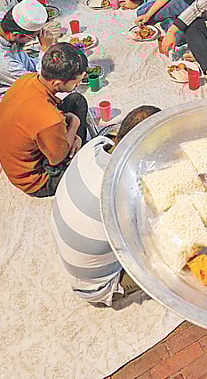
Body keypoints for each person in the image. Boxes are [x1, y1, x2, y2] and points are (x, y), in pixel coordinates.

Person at [53, 105, 159, 306]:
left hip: (71, 256)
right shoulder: (121, 194)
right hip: (98, 287)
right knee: (169, 257)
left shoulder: (96, 144)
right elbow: (148, 232)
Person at [0, 43, 90, 197]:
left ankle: (75, 142)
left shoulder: (27, 79)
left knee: (77, 100)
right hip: (35, 180)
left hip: (19, 155)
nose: (77, 85)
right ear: (57, 84)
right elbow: (57, 158)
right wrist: (75, 126)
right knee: (88, 166)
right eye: (75, 82)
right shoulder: (50, 120)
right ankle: (79, 151)